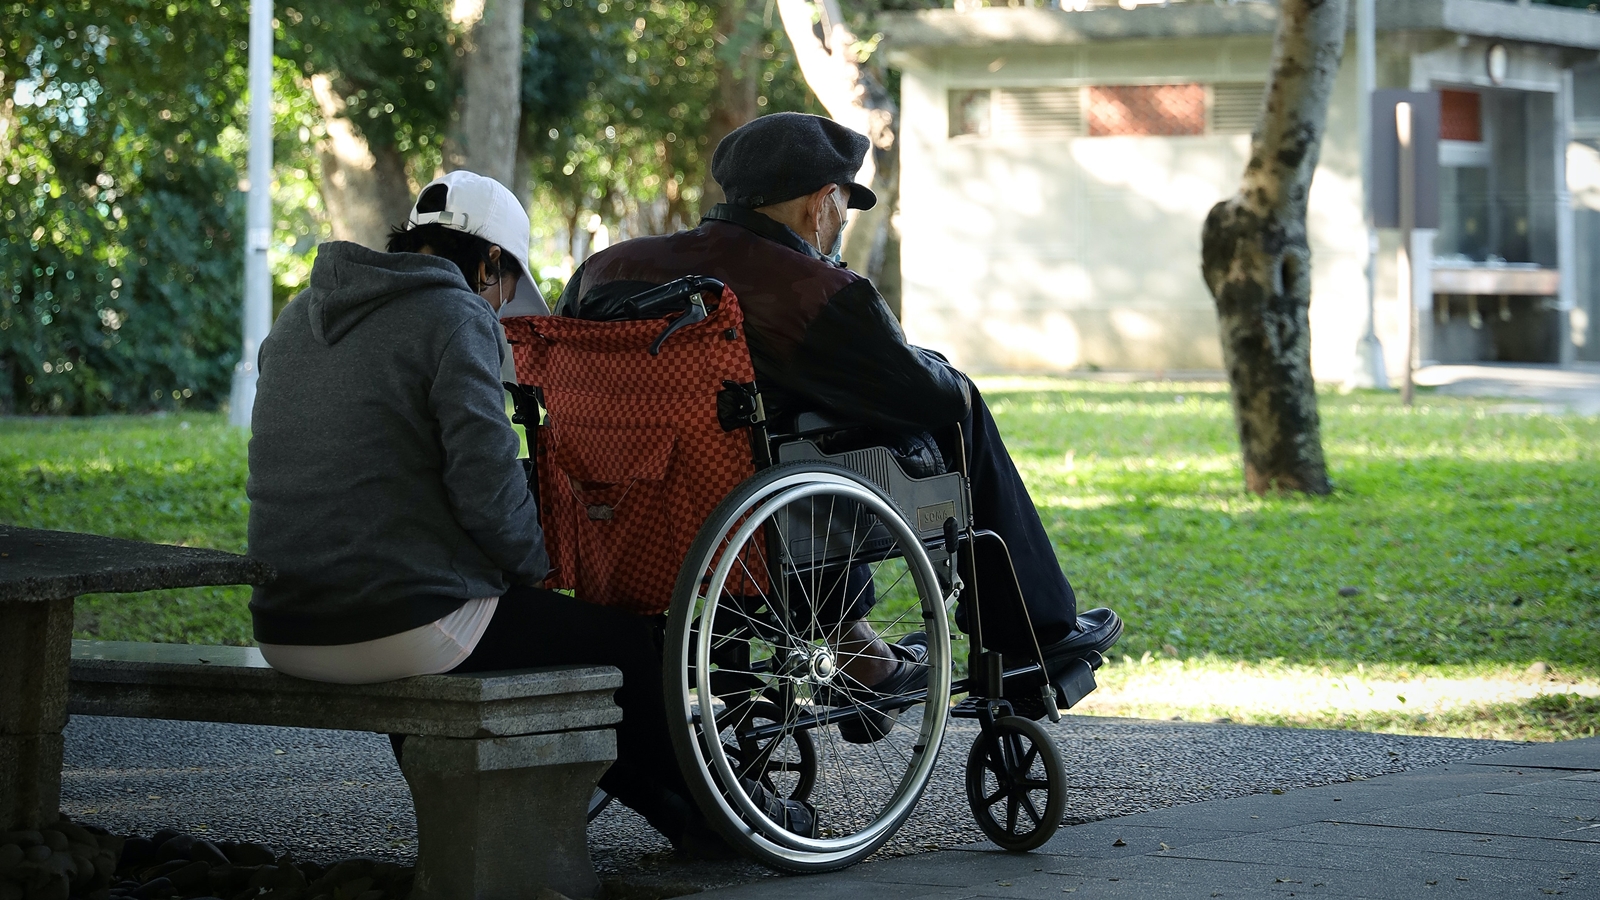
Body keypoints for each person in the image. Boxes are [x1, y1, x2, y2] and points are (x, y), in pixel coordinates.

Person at [556, 113, 1124, 722]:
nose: (840, 227)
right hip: (756, 510)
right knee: (960, 410)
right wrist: (941, 371)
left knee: (778, 457)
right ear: (823, 203)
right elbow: (923, 397)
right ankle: (1034, 629)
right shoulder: (812, 288)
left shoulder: (605, 270)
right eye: (844, 211)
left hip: (626, 506)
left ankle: (860, 651)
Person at [246, 170, 733, 855]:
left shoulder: (298, 316)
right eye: (503, 286)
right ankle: (720, 820)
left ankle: (682, 818)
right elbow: (485, 482)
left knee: (533, 640)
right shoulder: (455, 314)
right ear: (491, 262)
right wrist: (535, 567)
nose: (501, 304)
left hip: (284, 623)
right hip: (397, 624)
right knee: (625, 646)